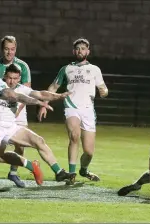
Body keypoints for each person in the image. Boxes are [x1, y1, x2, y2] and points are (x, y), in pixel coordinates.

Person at [0, 64, 75, 191]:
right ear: (4, 76)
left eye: (15, 78)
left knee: (39, 141)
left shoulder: (21, 88)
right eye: (9, 78)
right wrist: (37, 102)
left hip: (11, 126)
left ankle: (59, 172)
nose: (12, 81)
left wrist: (58, 96)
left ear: (19, 78)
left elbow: (41, 94)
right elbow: (14, 96)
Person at [38, 38, 108, 185]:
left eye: (83, 48)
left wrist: (104, 92)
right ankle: (71, 173)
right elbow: (53, 88)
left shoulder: (95, 70)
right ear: (73, 51)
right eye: (77, 48)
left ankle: (83, 169)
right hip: (71, 106)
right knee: (74, 136)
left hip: (88, 110)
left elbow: (103, 88)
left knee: (89, 152)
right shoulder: (66, 69)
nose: (80, 51)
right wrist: (44, 104)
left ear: (88, 51)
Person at [0, 35, 31, 188]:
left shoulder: (23, 66)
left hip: (18, 109)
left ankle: (14, 173)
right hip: (0, 110)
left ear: (16, 49)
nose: (10, 52)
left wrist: (18, 111)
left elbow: (27, 91)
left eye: (12, 49)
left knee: (20, 144)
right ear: (2, 49)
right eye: (6, 49)